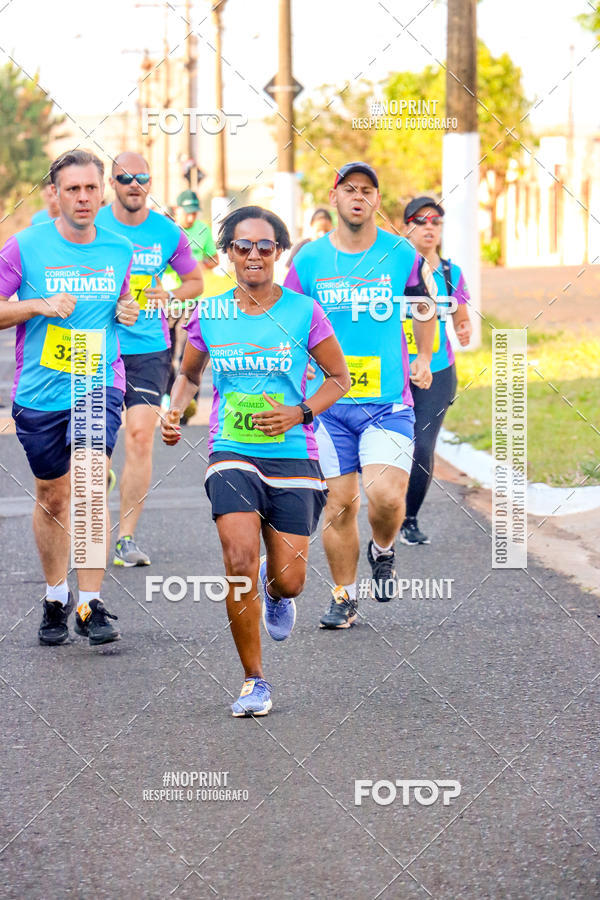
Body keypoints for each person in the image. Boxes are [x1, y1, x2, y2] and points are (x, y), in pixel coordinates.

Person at [161, 206, 350, 716]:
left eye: (265, 246)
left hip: (294, 456)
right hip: (232, 453)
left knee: (290, 580)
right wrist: (175, 409)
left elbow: (339, 378)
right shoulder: (211, 314)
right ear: (227, 254)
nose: (253, 255)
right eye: (242, 246)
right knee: (237, 559)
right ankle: (254, 680)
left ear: (278, 253)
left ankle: (277, 590)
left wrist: (300, 412)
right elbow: (190, 374)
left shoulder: (303, 312)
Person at [285, 161, 436, 626]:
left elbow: (425, 306)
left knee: (386, 496)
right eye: (349, 189)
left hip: (387, 401)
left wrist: (424, 357)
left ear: (376, 199)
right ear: (335, 197)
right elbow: (287, 318)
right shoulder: (308, 260)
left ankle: (383, 549)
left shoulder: (401, 254)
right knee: (340, 503)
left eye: (368, 190)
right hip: (326, 406)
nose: (358, 196)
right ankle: (344, 596)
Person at [0, 149, 139, 646]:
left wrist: (127, 310)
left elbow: (123, 303)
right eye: (72, 189)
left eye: (91, 188)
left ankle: (89, 602)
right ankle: (56, 595)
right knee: (54, 496)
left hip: (96, 379)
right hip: (39, 390)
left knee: (88, 481)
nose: (83, 197)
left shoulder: (119, 248)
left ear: (103, 192)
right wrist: (38, 305)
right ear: (53, 194)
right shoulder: (24, 246)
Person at [96, 152, 204, 566]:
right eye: (125, 177)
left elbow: (194, 280)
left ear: (151, 182)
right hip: (99, 347)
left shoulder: (167, 232)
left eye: (142, 177)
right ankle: (97, 504)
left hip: (147, 348)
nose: (134, 184)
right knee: (96, 448)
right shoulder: (94, 226)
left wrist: (171, 295)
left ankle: (125, 538)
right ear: (112, 182)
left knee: (140, 436)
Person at [400, 196, 472, 545]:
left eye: (435, 221)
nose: (429, 227)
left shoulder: (450, 273)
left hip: (438, 371)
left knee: (422, 444)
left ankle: (409, 518)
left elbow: (461, 317)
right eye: (421, 220)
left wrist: (463, 328)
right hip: (391, 371)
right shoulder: (392, 271)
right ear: (406, 227)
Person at [162, 189, 220, 412]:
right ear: (177, 211)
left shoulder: (203, 230)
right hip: (168, 301)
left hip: (191, 302)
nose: (191, 217)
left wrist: (199, 266)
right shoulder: (168, 231)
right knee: (166, 353)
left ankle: (186, 398)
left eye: (194, 212)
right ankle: (169, 394)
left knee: (186, 354)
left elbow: (214, 258)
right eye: (187, 212)